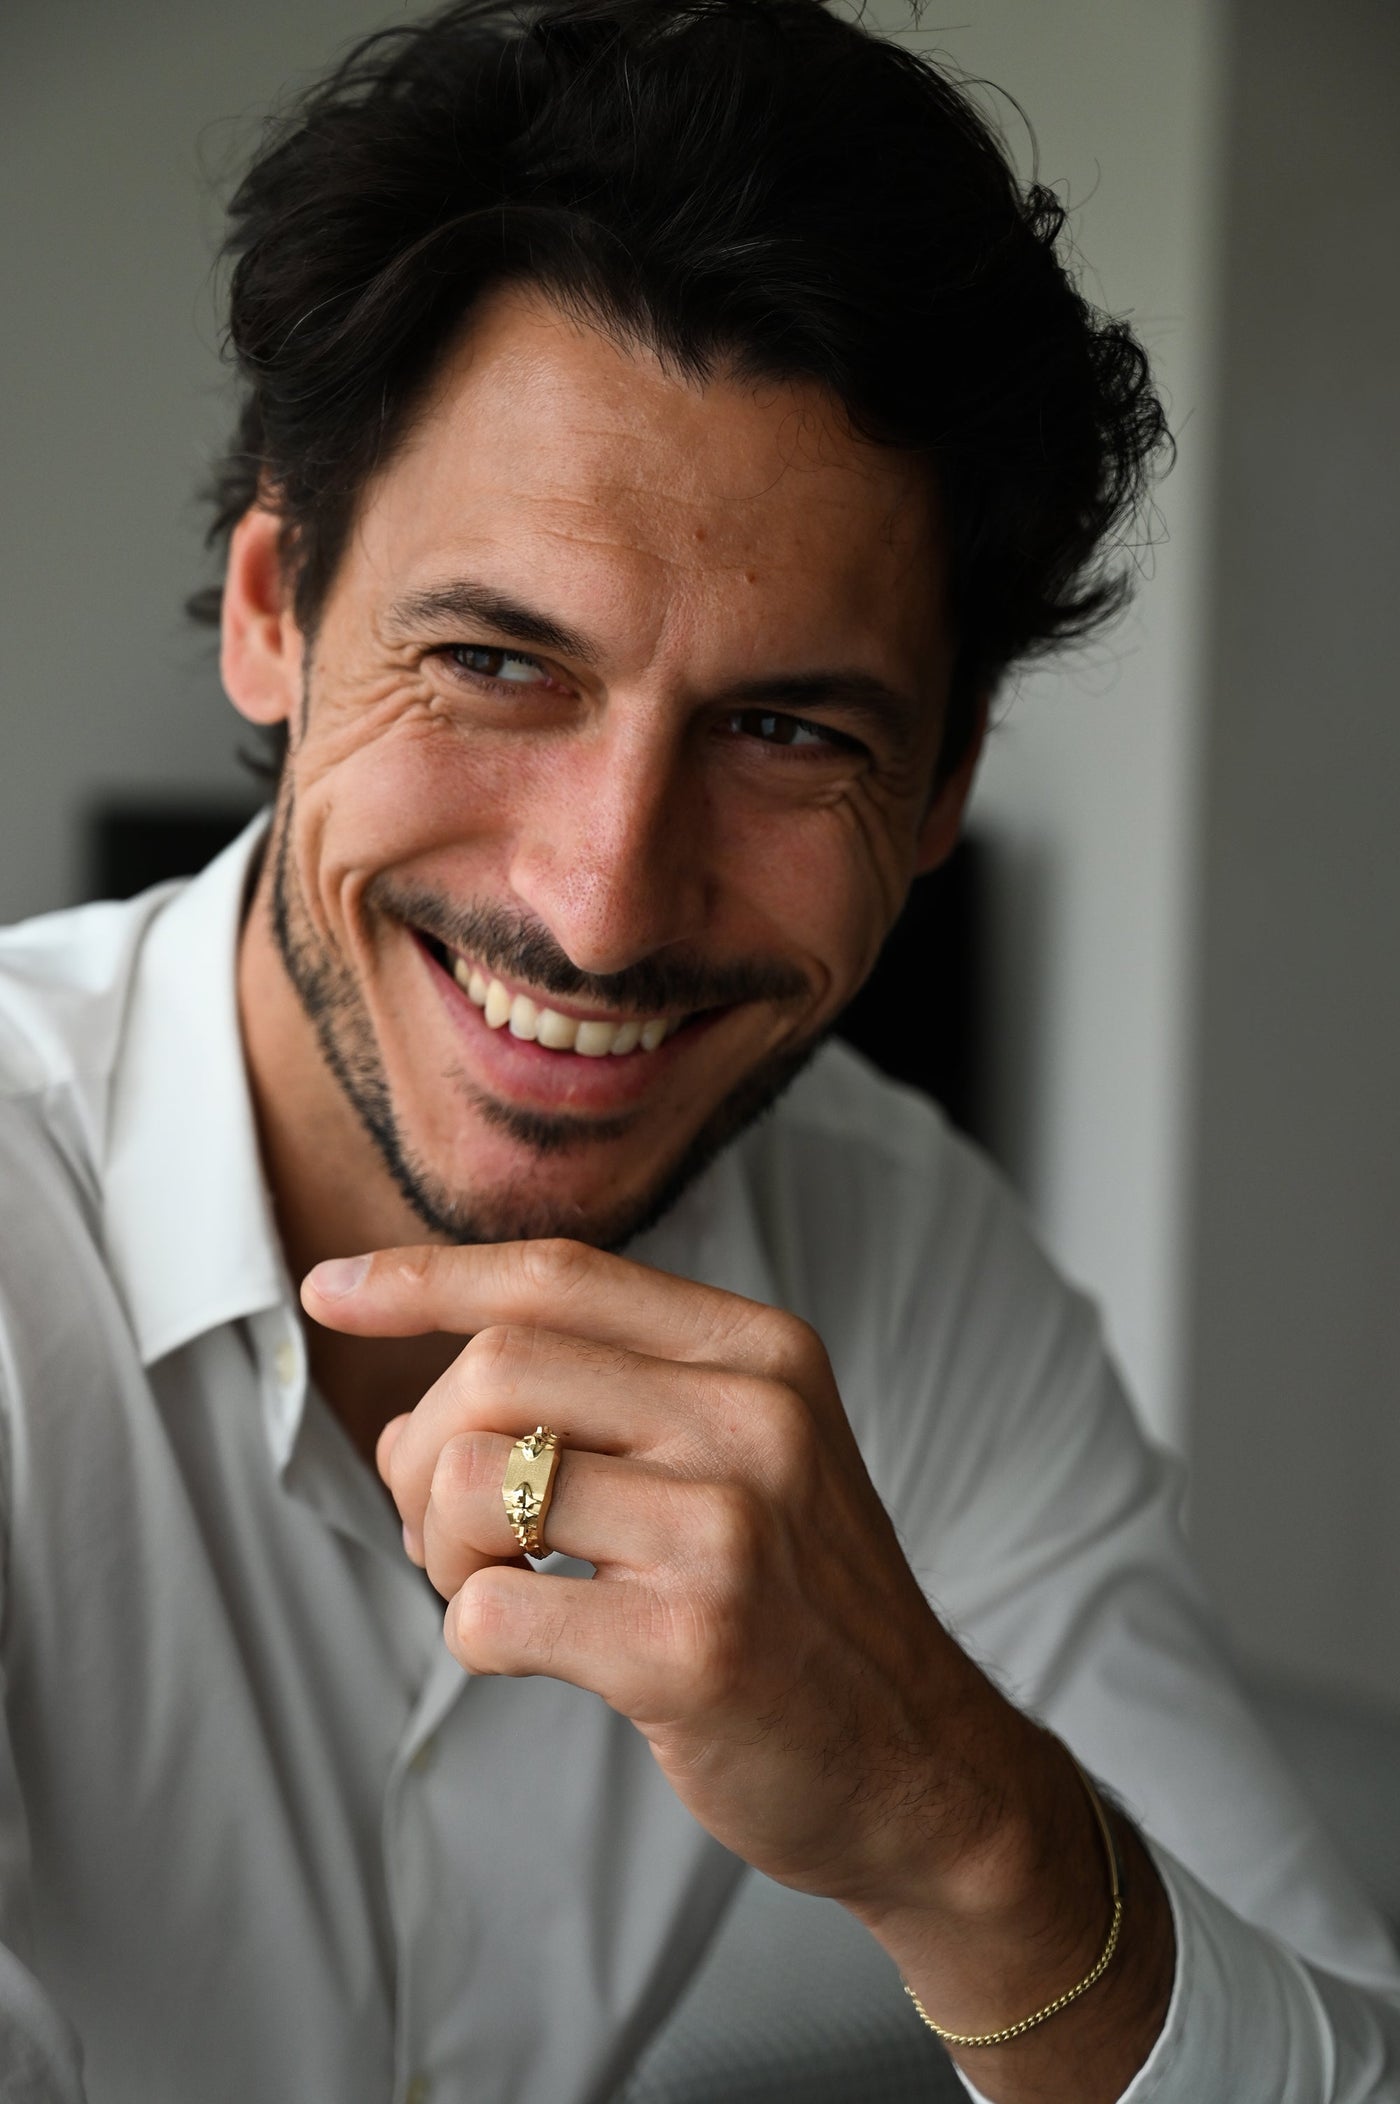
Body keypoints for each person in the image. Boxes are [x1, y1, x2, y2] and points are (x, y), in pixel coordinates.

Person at [0, 3, 1397, 2100]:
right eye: (493, 662)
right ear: (277, 606)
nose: (603, 903)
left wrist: (955, 1809)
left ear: (934, 796)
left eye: (786, 731)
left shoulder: (911, 1256)